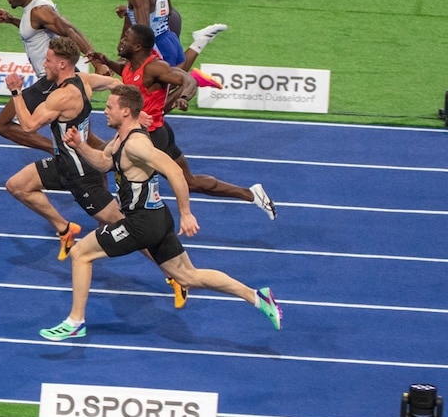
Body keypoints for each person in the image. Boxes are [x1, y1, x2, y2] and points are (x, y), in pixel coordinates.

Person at [37, 83, 282, 341]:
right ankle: (257, 296)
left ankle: (75, 321)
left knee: (80, 253)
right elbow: (105, 162)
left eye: (110, 107)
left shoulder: (137, 145)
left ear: (125, 112)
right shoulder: (120, 138)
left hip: (141, 222)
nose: (104, 111)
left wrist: (186, 213)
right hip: (155, 218)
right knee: (188, 276)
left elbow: (175, 172)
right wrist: (79, 146)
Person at [102, 24, 277, 225]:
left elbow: (186, 81)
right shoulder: (130, 65)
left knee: (108, 162)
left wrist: (184, 96)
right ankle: (251, 194)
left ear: (138, 46)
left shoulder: (154, 68)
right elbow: (124, 71)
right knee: (190, 182)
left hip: (150, 135)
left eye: (126, 39)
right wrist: (105, 61)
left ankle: (117, 211)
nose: (121, 41)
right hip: (157, 130)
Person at [4, 37, 126, 261]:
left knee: (126, 227)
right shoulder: (83, 79)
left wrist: (16, 92)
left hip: (81, 173)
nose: (44, 65)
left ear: (62, 64)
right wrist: (136, 110)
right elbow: (114, 84)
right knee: (17, 186)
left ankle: (174, 272)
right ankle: (65, 228)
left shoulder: (62, 96)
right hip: (64, 163)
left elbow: (29, 126)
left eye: (48, 60)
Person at [0, 0, 107, 153]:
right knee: (86, 138)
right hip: (65, 76)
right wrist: (11, 20)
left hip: (53, 79)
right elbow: (35, 30)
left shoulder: (39, 10)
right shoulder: (35, 8)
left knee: (2, 124)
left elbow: (69, 30)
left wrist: (97, 62)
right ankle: (116, 158)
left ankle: (59, 151)